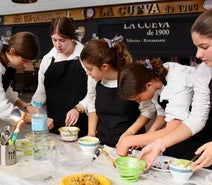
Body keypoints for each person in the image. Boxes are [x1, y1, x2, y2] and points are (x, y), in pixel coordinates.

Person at [139, 10, 212, 171]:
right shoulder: (204, 71)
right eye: (196, 47)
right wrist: (159, 144)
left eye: (204, 47)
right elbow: (197, 117)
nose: (198, 54)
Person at [116, 58, 200, 159]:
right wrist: (150, 133)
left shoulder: (178, 82)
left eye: (138, 98)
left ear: (149, 85)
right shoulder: (155, 78)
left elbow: (172, 129)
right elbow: (163, 113)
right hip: (180, 134)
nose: (139, 102)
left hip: (199, 134)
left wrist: (129, 140)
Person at [80, 36, 156, 147]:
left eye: (90, 69)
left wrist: (129, 134)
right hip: (103, 141)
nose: (87, 73)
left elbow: (148, 109)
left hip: (130, 144)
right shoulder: (93, 79)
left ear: (104, 66)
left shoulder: (129, 79)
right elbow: (92, 103)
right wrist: (91, 134)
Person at [29, 16, 88, 137]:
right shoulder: (47, 59)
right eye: (54, 40)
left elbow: (94, 93)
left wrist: (79, 108)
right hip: (53, 122)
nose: (57, 45)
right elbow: (41, 92)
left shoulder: (85, 56)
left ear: (72, 38)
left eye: (62, 40)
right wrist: (35, 109)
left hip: (81, 121)